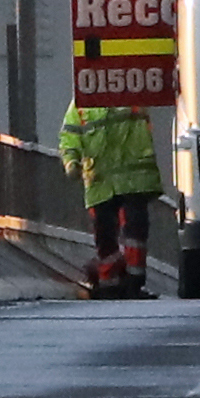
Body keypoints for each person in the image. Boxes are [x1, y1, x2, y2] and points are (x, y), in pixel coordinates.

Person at [58, 101, 163, 299]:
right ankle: (110, 283)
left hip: (132, 180)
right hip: (101, 182)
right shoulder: (83, 100)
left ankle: (132, 282)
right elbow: (70, 135)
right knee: (105, 234)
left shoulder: (131, 90)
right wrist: (71, 161)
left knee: (134, 229)